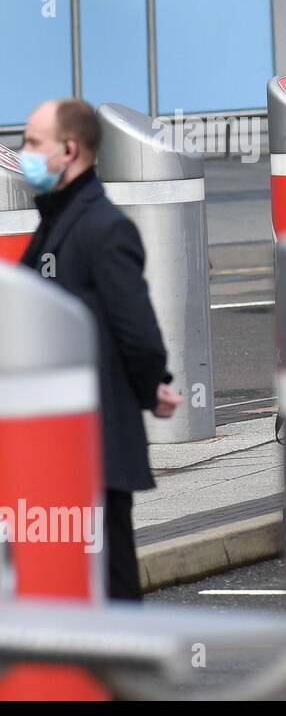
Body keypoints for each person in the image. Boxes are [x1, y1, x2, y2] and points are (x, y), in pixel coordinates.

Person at [17, 98, 183, 601]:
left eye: (32, 143)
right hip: (59, 444)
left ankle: (129, 680)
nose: (21, 153)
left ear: (69, 151)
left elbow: (139, 336)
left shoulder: (104, 228)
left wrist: (149, 388)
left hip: (96, 445)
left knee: (113, 588)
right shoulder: (55, 222)